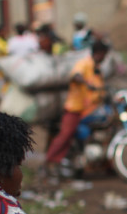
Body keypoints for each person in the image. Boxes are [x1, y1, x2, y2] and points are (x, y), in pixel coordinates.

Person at [43, 39, 111, 174]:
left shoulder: (97, 69)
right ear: (99, 53)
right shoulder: (84, 63)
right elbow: (76, 75)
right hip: (75, 108)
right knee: (66, 135)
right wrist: (85, 82)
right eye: (103, 54)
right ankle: (48, 162)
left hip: (89, 110)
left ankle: (104, 164)